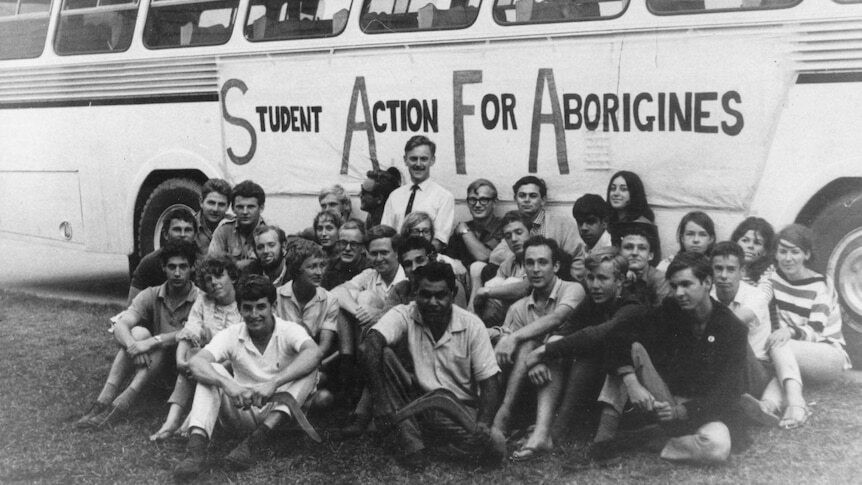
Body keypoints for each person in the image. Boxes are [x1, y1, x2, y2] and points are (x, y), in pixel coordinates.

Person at [571, 252, 749, 468]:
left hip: (703, 411)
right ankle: (602, 443)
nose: (679, 293)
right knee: (631, 349)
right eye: (674, 286)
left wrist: (682, 411)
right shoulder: (672, 309)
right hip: (665, 397)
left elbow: (728, 393)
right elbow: (619, 334)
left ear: (707, 283)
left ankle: (648, 439)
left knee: (716, 447)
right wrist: (632, 382)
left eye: (686, 284)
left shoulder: (733, 328)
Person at [172, 275, 322, 480]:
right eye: (247, 308)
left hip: (280, 413)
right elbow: (197, 362)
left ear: (273, 306)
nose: (254, 314)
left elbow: (314, 353)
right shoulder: (232, 333)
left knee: (309, 368)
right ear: (239, 309)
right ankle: (195, 452)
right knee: (211, 370)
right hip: (243, 407)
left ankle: (256, 443)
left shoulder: (289, 330)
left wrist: (274, 383)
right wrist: (227, 384)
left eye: (261, 307)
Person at [360, 262, 505, 470]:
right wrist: (381, 402)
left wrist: (483, 423)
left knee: (495, 443)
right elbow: (371, 342)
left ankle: (424, 440)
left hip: (457, 408)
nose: (433, 302)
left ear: (453, 294)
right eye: (425, 295)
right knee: (382, 353)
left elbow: (490, 380)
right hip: (418, 402)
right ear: (415, 294)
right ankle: (413, 447)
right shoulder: (405, 313)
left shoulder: (472, 324)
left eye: (441, 295)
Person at [515, 248, 645, 460]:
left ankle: (556, 431)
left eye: (602, 278)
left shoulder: (633, 304)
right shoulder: (594, 300)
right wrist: (541, 357)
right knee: (563, 349)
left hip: (633, 392)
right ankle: (542, 432)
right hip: (602, 385)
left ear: (620, 281)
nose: (594, 285)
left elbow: (596, 334)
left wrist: (542, 351)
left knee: (585, 351)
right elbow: (564, 331)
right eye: (591, 278)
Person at [77, 240, 200, 429]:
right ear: (163, 268)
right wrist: (133, 346)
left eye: (183, 267)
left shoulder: (201, 299)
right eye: (172, 267)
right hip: (150, 367)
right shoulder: (152, 294)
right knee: (137, 332)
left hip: (181, 372)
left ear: (192, 268)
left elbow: (192, 334)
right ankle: (102, 401)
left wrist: (152, 342)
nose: (177, 273)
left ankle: (119, 407)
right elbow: (121, 325)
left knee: (157, 345)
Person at [743, 224, 850, 430]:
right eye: (782, 251)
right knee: (780, 351)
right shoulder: (773, 277)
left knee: (779, 344)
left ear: (807, 254)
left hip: (827, 355)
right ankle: (767, 406)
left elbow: (815, 330)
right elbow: (758, 299)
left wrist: (789, 331)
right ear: (775, 253)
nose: (788, 258)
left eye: (795, 252)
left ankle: (797, 404)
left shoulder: (820, 285)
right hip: (790, 354)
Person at [490, 236, 586, 442]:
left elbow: (557, 318)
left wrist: (517, 340)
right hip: (532, 380)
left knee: (526, 343)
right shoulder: (518, 307)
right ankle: (496, 415)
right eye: (530, 263)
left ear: (556, 265)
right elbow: (507, 349)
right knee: (514, 346)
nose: (535, 269)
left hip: (568, 374)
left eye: (543, 262)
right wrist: (530, 360)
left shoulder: (572, 289)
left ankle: (504, 416)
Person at [150, 255, 242, 442]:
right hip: (204, 360)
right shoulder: (204, 301)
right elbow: (190, 331)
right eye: (208, 279)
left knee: (200, 362)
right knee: (192, 355)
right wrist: (181, 361)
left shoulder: (243, 305)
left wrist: (203, 366)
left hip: (233, 369)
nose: (214, 283)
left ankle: (189, 424)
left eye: (219, 276)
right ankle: (172, 421)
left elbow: (240, 351)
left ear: (232, 277)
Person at [275, 239, 340, 408]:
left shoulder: (329, 300)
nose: (319, 272)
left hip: (311, 361)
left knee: (324, 397)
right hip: (279, 362)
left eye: (321, 265)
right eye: (312, 267)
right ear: (296, 270)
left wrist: (305, 365)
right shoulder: (276, 297)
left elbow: (324, 345)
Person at [331, 225, 406, 366]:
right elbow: (337, 291)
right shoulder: (369, 275)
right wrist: (360, 312)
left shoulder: (406, 278)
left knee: (365, 297)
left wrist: (377, 314)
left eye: (384, 253)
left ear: (396, 252)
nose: (378, 258)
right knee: (351, 300)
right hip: (367, 337)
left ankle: (355, 365)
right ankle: (348, 361)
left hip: (396, 339)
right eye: (373, 253)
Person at [490, 176, 587, 281]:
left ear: (543, 200)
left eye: (533, 196)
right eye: (522, 196)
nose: (527, 200)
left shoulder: (562, 223)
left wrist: (566, 283)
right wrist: (522, 255)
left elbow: (578, 257)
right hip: (522, 280)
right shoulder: (514, 226)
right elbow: (495, 257)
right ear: (515, 199)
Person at [380, 135, 455, 251]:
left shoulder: (444, 197)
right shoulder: (394, 196)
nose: (418, 164)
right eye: (413, 159)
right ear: (405, 160)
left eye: (424, 159)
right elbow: (385, 233)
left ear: (432, 160)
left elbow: (439, 241)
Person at [471, 211, 533, 327]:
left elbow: (524, 288)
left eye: (519, 233)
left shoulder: (537, 258)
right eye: (508, 236)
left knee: (508, 283)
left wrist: (485, 292)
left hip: (533, 317)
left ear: (531, 233)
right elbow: (493, 285)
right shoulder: (509, 263)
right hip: (507, 317)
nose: (513, 239)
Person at [127, 208, 197, 304]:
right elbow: (131, 306)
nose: (182, 235)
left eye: (188, 230)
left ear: (195, 235)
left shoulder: (203, 263)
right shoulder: (149, 263)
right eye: (177, 230)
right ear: (165, 234)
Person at [387, 236, 467, 309]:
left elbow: (458, 320)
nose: (414, 268)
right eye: (408, 264)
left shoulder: (449, 285)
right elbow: (385, 320)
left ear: (432, 260)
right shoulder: (401, 290)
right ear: (404, 271)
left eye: (420, 260)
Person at [610, 219, 670, 306]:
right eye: (628, 247)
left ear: (650, 255)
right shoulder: (614, 274)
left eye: (642, 248)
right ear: (619, 251)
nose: (634, 253)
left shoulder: (660, 280)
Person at [209, 180, 267, 267]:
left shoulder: (269, 230)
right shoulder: (224, 229)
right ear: (232, 208)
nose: (245, 212)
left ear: (261, 208)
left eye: (251, 207)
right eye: (240, 207)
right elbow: (212, 263)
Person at [447, 178, 503, 267]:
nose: (477, 205)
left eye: (484, 200)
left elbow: (484, 257)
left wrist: (465, 232)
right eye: (473, 199)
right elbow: (448, 259)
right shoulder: (462, 227)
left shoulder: (504, 226)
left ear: (494, 203)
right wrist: (456, 264)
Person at [399, 211, 467, 278]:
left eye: (426, 231)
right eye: (415, 231)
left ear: (432, 235)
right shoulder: (397, 263)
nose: (421, 235)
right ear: (406, 235)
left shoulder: (451, 264)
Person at [322, 219, 369, 290]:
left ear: (363, 248)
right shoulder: (330, 266)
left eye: (354, 244)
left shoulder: (370, 270)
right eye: (343, 243)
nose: (347, 248)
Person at [730, 216, 776, 284]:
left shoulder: (768, 275)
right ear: (735, 242)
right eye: (745, 240)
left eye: (757, 243)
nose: (750, 246)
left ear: (765, 251)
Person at [195, 178, 232, 258]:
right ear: (201, 202)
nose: (215, 209)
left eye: (221, 204)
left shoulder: (234, 225)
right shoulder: (188, 226)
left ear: (228, 206)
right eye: (211, 203)